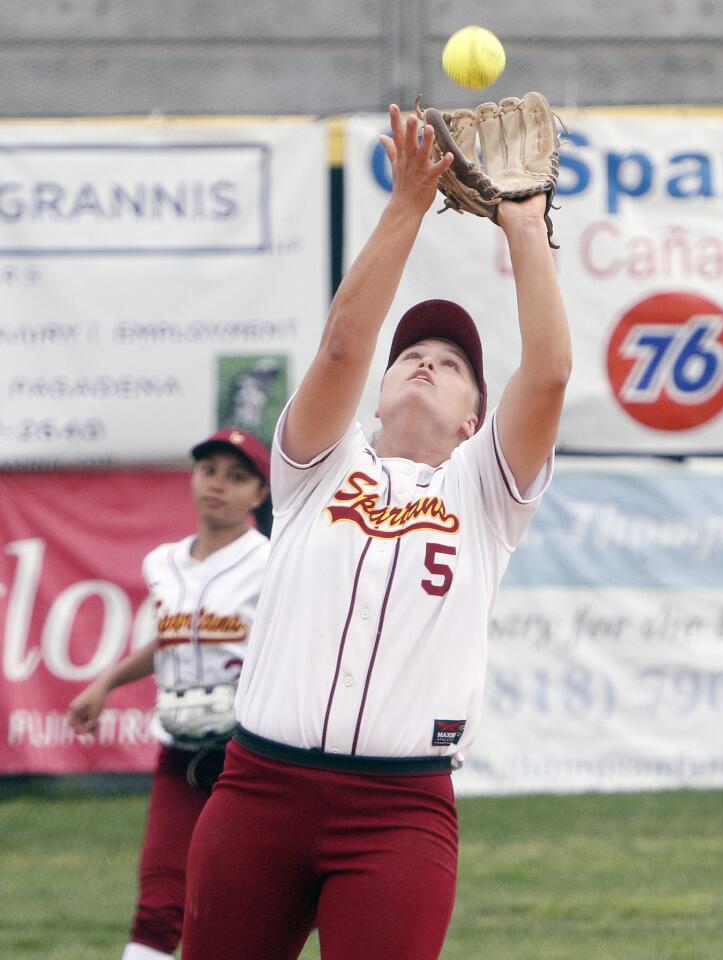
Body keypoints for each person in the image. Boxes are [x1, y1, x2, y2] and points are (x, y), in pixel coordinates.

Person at [181, 103, 571, 960]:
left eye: (455, 362)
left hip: (397, 812)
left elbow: (545, 375)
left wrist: (523, 226)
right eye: (412, 355)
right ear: (381, 386)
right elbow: (340, 346)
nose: (427, 360)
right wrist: (405, 204)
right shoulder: (318, 466)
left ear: (476, 417)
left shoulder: (483, 494)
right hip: (258, 793)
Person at [67, 427, 272, 960]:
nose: (217, 485)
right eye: (208, 471)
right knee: (158, 905)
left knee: (247, 905)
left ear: (260, 494)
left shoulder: (273, 563)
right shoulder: (163, 562)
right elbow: (173, 636)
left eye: (237, 476)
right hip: (178, 754)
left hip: (249, 757)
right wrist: (106, 681)